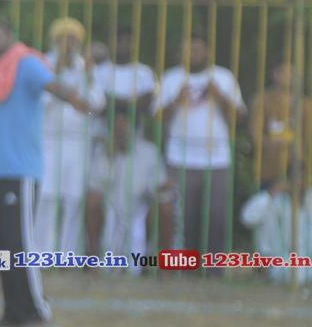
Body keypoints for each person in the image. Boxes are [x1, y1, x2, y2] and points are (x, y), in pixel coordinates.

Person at [0, 17, 96, 327]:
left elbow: (53, 86)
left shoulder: (25, 62)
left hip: (19, 171)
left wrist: (80, 104)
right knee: (2, 243)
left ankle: (37, 314)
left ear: (9, 35)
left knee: (20, 244)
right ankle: (13, 312)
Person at [155, 30, 246, 261]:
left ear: (207, 52)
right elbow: (157, 117)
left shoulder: (223, 77)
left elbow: (239, 118)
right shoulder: (170, 78)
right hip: (179, 158)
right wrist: (176, 99)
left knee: (217, 216)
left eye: (197, 49)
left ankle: (214, 267)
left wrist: (219, 95)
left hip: (217, 158)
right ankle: (187, 266)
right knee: (183, 217)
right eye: (188, 49)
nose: (192, 53)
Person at [37, 17, 105, 255]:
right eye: (64, 39)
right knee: (47, 199)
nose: (69, 44)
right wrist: (55, 76)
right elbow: (39, 103)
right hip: (48, 141)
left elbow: (96, 106)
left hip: (78, 143)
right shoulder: (44, 63)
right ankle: (43, 253)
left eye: (73, 39)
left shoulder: (85, 67)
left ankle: (68, 256)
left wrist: (89, 77)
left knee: (74, 200)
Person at [88, 102, 174, 275]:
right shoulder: (101, 150)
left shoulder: (149, 151)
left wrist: (162, 186)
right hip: (109, 210)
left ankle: (163, 265)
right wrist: (109, 157)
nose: (120, 126)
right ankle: (94, 260)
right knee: (92, 201)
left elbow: (154, 188)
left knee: (165, 206)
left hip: (139, 210)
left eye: (125, 121)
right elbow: (97, 187)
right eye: (116, 121)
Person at [240, 168, 312, 285]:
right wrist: (272, 192)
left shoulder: (309, 198)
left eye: (303, 179)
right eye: (296, 180)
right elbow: (248, 218)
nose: (299, 184)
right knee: (297, 275)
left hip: (306, 263)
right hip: (280, 264)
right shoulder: (276, 199)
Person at [251, 58, 312, 191]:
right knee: (267, 203)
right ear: (274, 73)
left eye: (292, 73)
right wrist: (270, 143)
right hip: (269, 171)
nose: (288, 77)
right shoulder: (262, 101)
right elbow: (256, 135)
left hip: (299, 173)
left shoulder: (306, 104)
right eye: (283, 72)